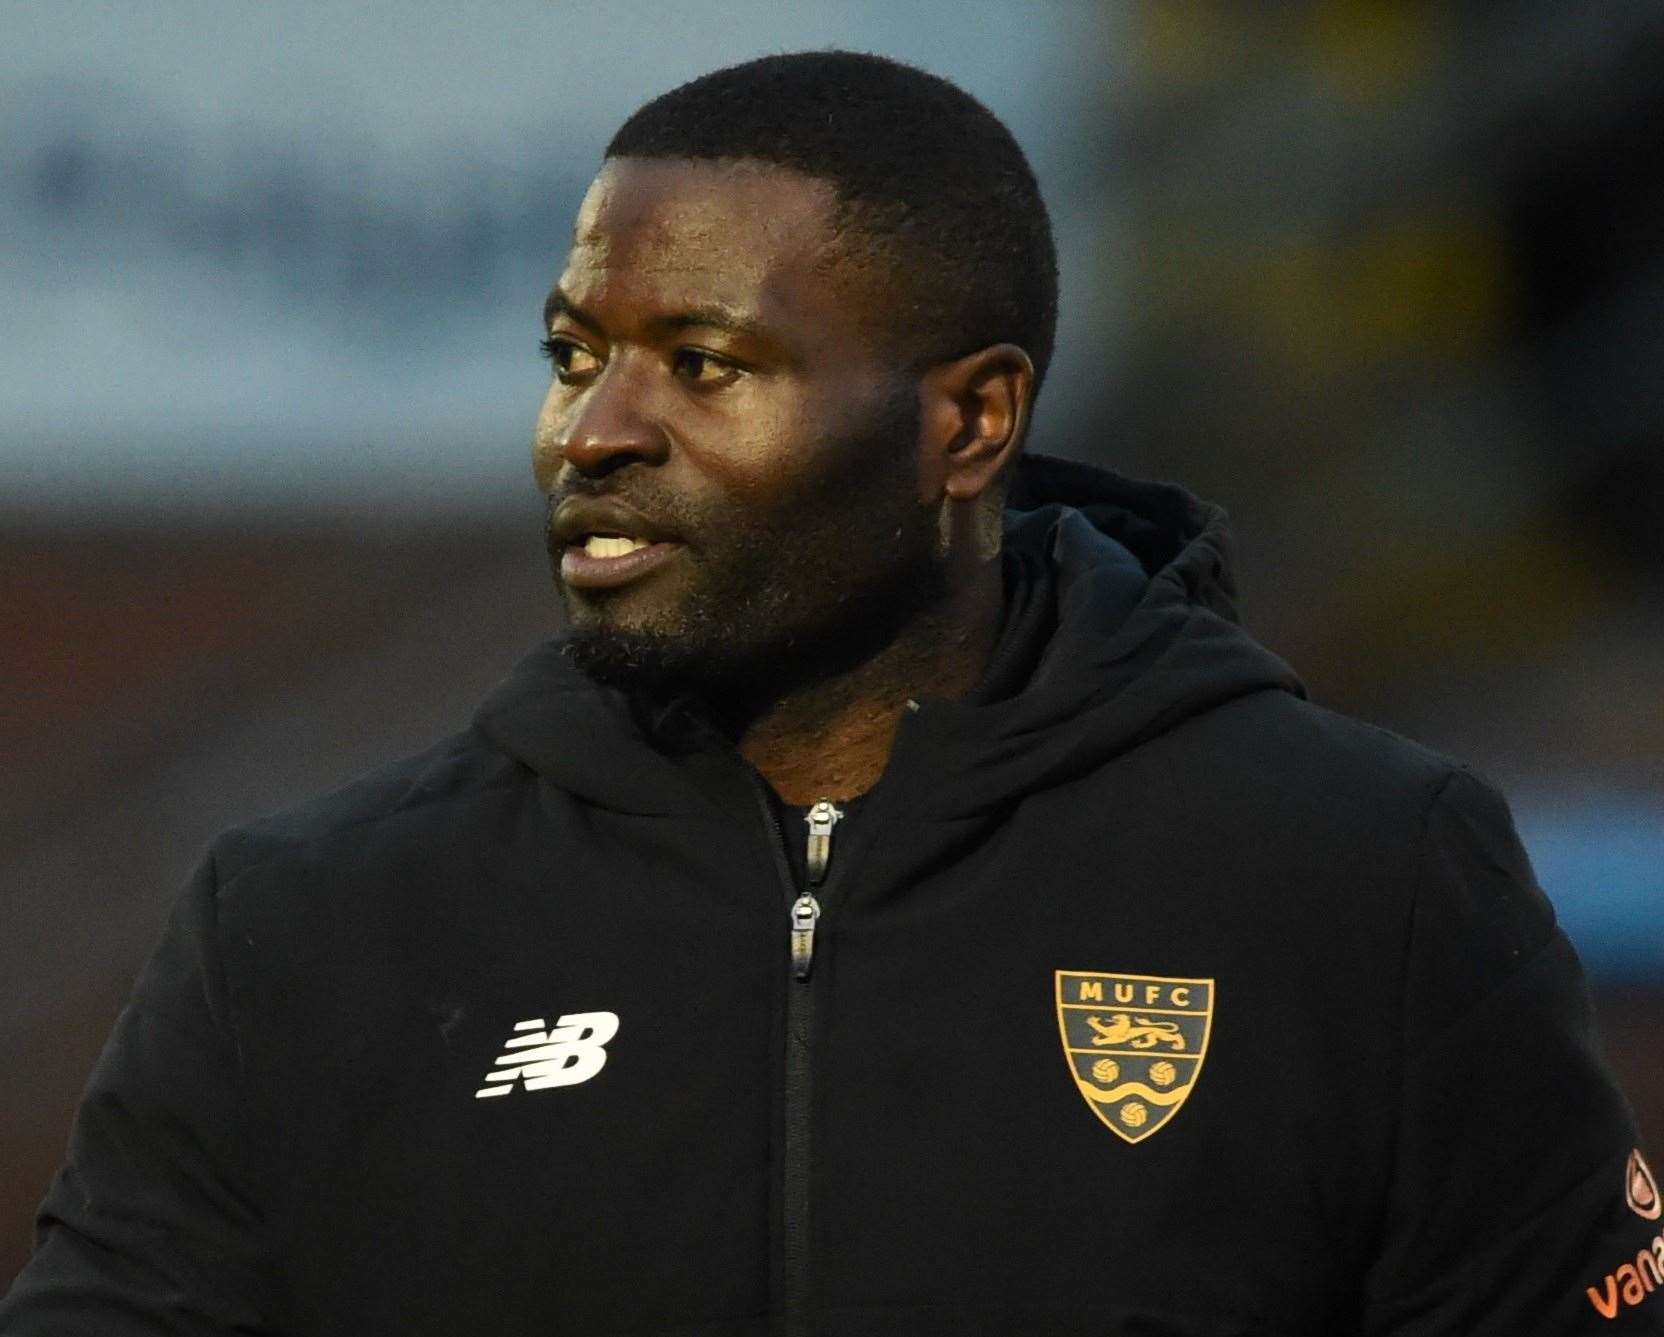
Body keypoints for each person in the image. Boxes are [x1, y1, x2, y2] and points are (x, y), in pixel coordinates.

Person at [2, 50, 1659, 1337]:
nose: (594, 433)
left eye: (704, 367)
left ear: (970, 424)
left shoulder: (1365, 878)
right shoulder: (312, 926)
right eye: (575, 353)